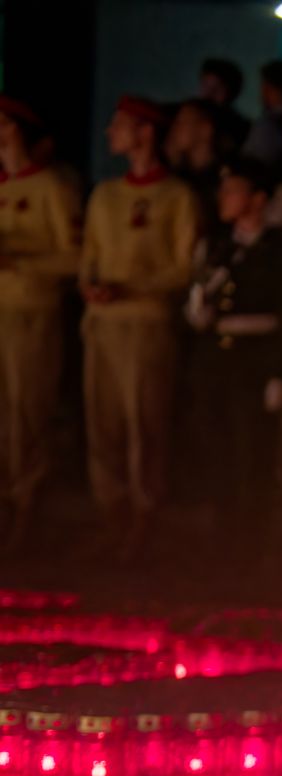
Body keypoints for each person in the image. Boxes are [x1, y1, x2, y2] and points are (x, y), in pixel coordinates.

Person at [81, 96, 200, 560]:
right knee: (103, 422)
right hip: (102, 324)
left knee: (144, 423)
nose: (112, 133)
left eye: (120, 125)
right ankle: (110, 513)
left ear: (145, 132)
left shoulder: (177, 197)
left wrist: (130, 287)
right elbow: (89, 254)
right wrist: (91, 285)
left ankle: (145, 515)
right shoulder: (105, 195)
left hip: (147, 325)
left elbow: (183, 266)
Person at [181, 157, 282, 549]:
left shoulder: (279, 247)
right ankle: (223, 539)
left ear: (258, 198)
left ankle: (251, 543)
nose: (224, 197)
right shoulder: (217, 246)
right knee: (219, 452)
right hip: (217, 360)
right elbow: (201, 295)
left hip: (255, 360)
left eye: (234, 190)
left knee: (254, 454)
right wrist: (198, 313)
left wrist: (280, 373)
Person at [0, 97, 80, 552]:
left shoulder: (51, 187)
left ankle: (27, 504)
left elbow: (75, 256)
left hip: (33, 312)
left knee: (28, 410)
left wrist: (21, 261)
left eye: (6, 126)